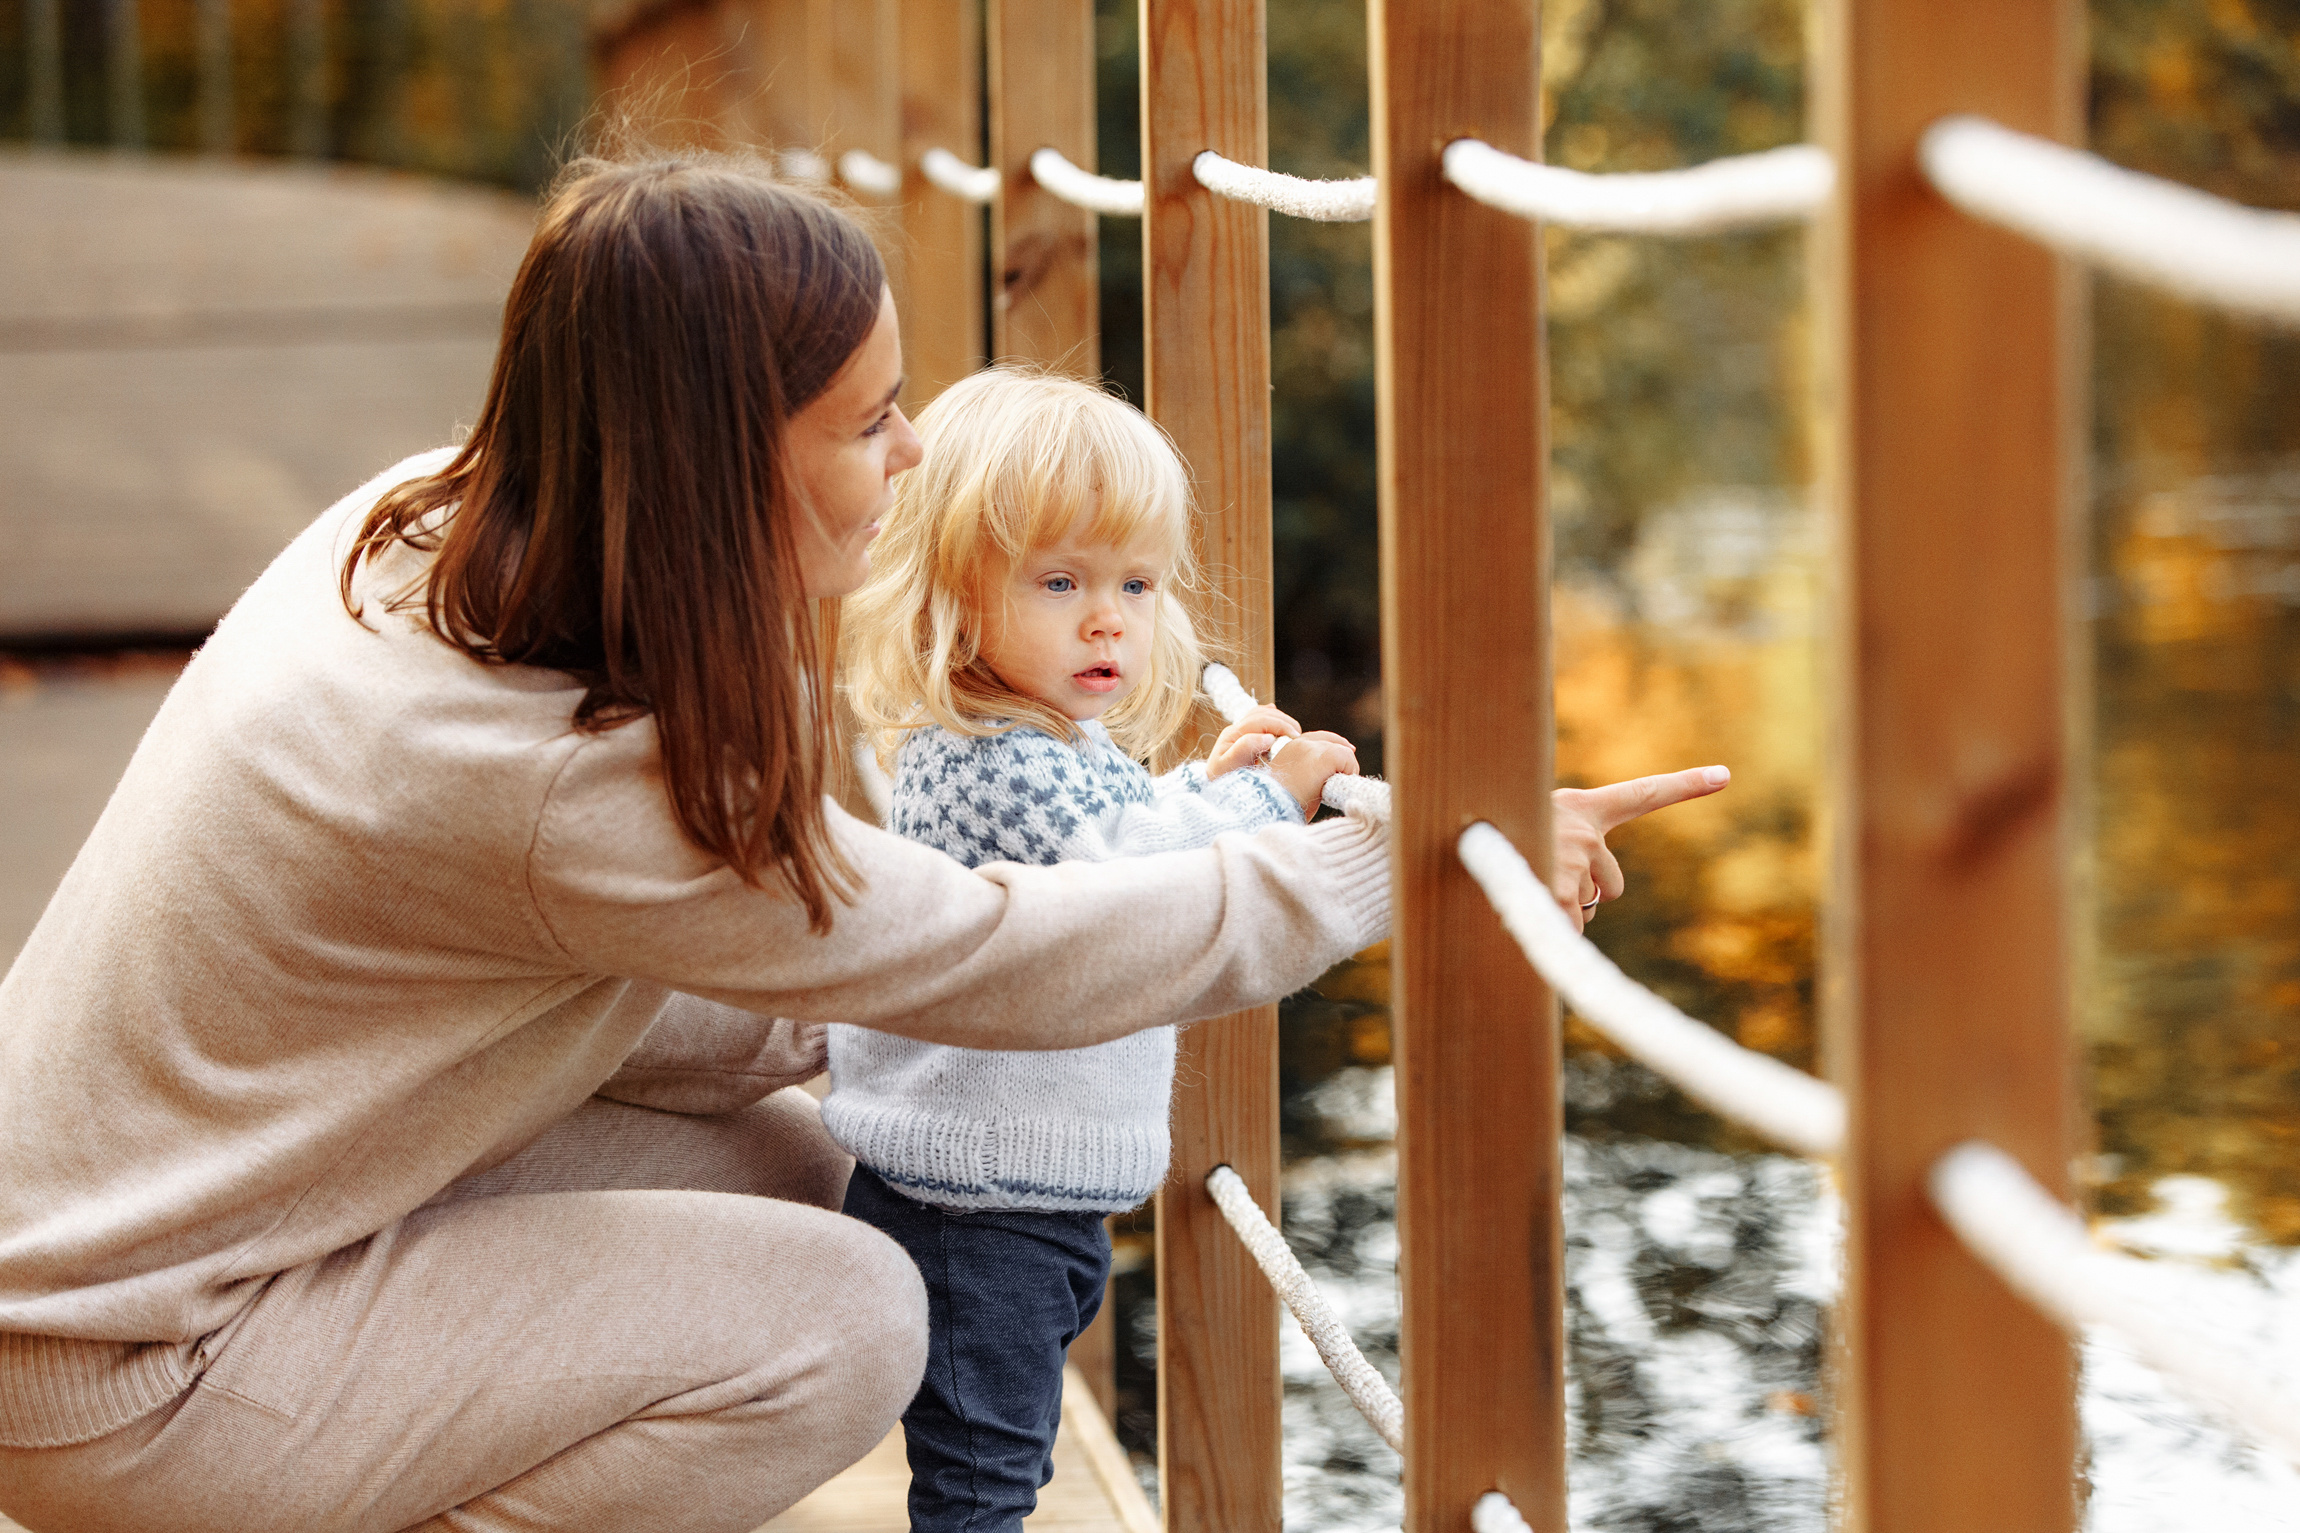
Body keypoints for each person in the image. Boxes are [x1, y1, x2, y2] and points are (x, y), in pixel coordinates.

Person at [0, 148, 1713, 1533]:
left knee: (830, 1181)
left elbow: (770, 973)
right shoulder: (563, 782)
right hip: (131, 1368)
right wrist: (1409, 853)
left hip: (181, 1226)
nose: (914, 454)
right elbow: (1001, 951)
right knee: (855, 1316)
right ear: (726, 452)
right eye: (875, 417)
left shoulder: (427, 523)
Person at [829, 366, 1363, 1532]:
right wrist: (1269, 805)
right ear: (954, 594)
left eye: (1135, 582)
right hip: (976, 1203)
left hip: (1023, 1193)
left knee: (998, 1466)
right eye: (1060, 581)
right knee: (982, 1490)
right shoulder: (982, 754)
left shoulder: (1038, 736)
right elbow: (1118, 874)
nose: (1107, 616)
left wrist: (1206, 783)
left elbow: (1114, 828)